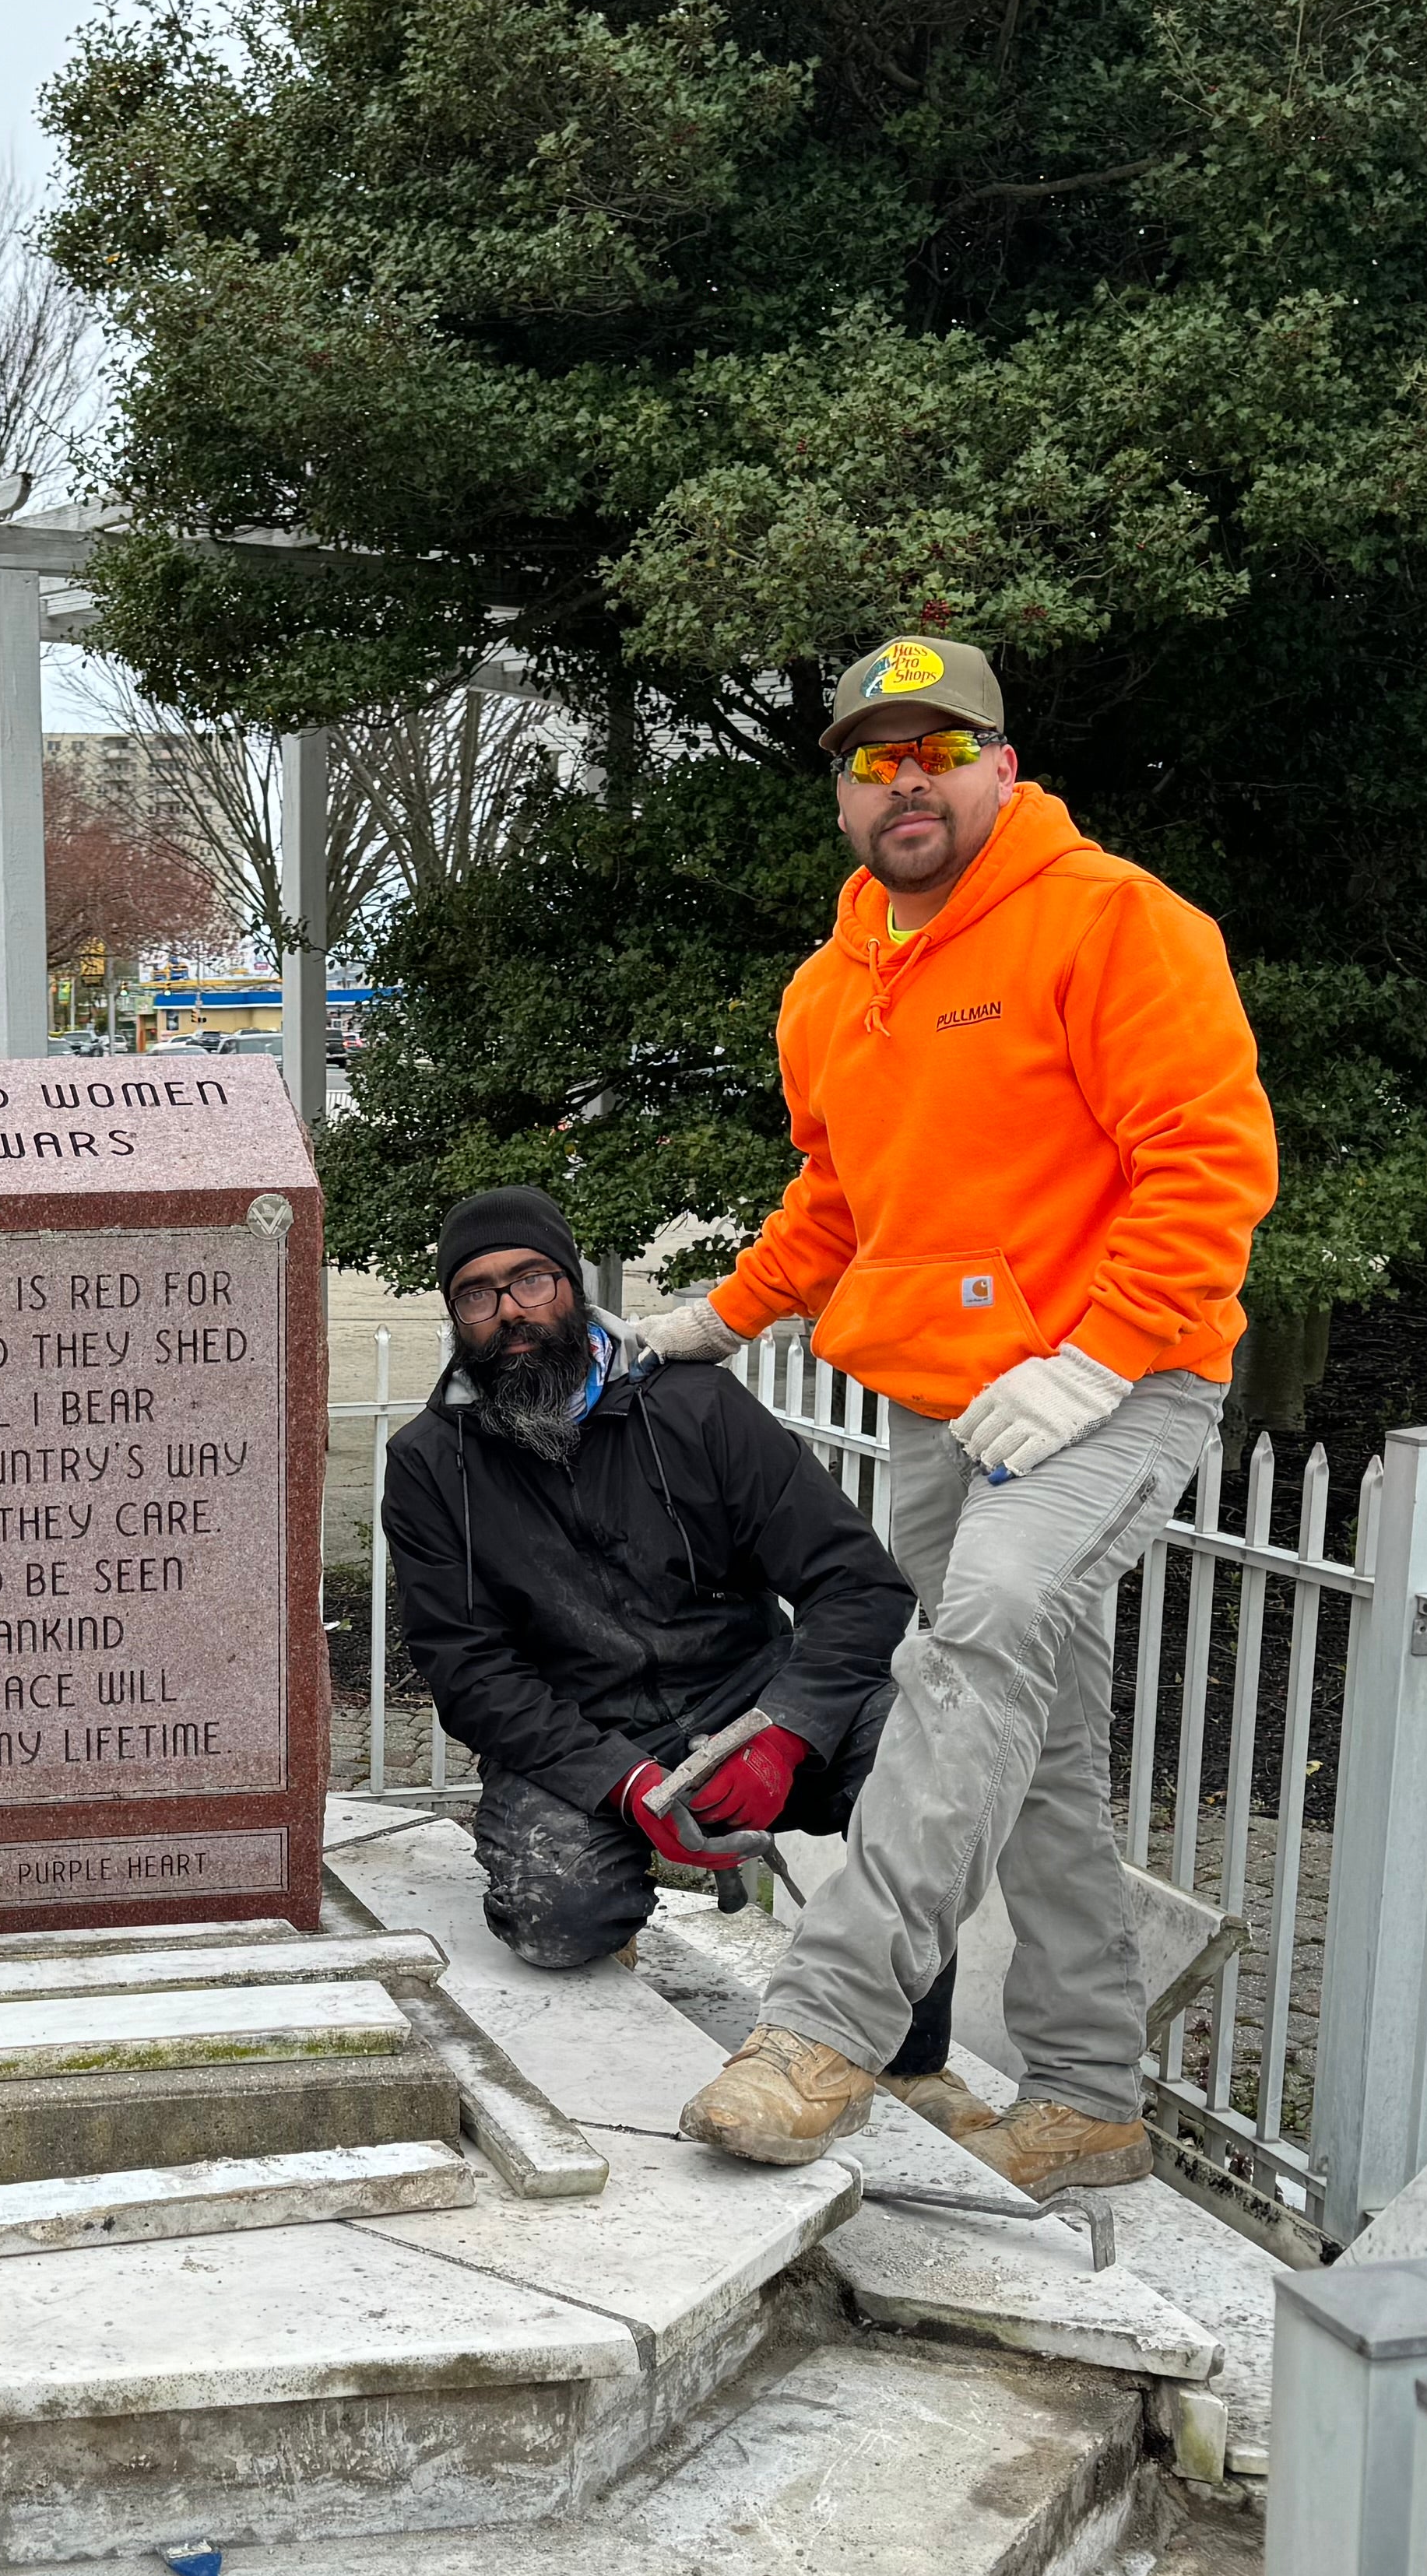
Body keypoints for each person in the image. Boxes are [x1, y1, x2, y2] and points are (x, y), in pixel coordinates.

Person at [638, 635, 1278, 2201]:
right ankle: (1086, 2097)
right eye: (874, 758)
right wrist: (710, 1320)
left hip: (1120, 1389)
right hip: (947, 1409)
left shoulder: (1119, 925)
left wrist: (1102, 1356)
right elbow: (841, 1205)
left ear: (1003, 764)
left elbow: (1211, 1161)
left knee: (975, 1637)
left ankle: (823, 2032)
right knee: (1036, 1739)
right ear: (845, 790)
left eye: (938, 751)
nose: (905, 781)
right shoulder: (829, 989)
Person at [378, 1187, 954, 2082]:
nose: (510, 1312)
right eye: (477, 1294)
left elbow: (858, 1584)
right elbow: (469, 1670)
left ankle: (906, 2064)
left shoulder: (695, 1408)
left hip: (754, 1703)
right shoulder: (430, 1462)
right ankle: (619, 1931)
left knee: (919, 1767)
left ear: (570, 1282)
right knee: (557, 1914)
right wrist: (623, 1781)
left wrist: (788, 1730)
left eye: (530, 1280)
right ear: (457, 1316)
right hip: (584, 1734)